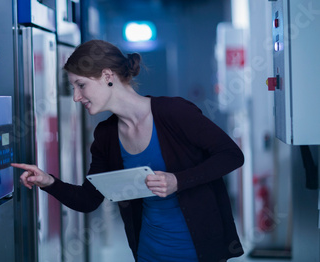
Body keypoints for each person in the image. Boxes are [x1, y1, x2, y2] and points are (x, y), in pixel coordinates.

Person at [12, 39, 244, 262]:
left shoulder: (173, 112)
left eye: (81, 85)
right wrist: (48, 181)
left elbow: (231, 155)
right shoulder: (106, 135)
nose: (76, 97)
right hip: (148, 252)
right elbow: (89, 199)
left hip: (198, 252)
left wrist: (177, 180)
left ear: (107, 75)